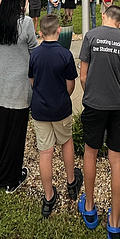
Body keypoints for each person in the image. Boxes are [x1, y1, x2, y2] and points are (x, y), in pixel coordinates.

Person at [77, 4, 120, 239]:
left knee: (90, 152)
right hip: (118, 106)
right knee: (116, 159)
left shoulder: (90, 37)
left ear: (104, 17)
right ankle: (113, 222)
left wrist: (90, 94)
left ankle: (89, 208)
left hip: (94, 104)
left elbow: (83, 74)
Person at [0, 0, 40, 191]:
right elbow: (34, 50)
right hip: (18, 85)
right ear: (22, 2)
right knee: (15, 133)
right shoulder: (25, 23)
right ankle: (10, 179)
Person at [29, 14, 82, 218]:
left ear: (40, 33)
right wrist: (60, 96)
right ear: (59, 30)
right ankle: (71, 183)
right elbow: (71, 85)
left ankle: (49, 197)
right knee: (66, 141)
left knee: (45, 152)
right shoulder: (65, 55)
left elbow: (33, 80)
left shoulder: (34, 54)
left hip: (40, 109)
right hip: (60, 108)